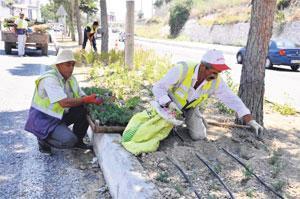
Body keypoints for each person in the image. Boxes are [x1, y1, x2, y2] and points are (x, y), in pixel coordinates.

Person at [152, 49, 264, 140]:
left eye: (219, 73)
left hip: (190, 108)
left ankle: (189, 120)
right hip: (170, 105)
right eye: (214, 72)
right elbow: (158, 87)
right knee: (160, 130)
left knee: (199, 136)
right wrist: (168, 103)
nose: (216, 76)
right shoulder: (183, 69)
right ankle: (170, 121)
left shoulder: (216, 81)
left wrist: (250, 120)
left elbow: (232, 99)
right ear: (202, 67)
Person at [25, 49, 103, 155]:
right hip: (44, 120)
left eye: (73, 65)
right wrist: (86, 99)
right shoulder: (50, 79)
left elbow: (81, 95)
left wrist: (92, 99)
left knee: (83, 108)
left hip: (58, 116)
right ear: (59, 65)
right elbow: (64, 103)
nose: (71, 68)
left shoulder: (71, 79)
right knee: (69, 141)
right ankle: (43, 139)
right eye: (68, 64)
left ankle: (78, 142)